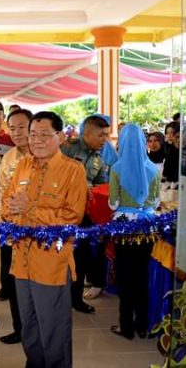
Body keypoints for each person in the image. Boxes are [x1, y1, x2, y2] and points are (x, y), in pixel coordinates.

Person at [1, 111, 87, 368]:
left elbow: (72, 217)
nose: (36, 140)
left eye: (44, 134)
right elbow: (6, 205)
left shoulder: (73, 170)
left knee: (53, 328)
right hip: (21, 260)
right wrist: (13, 211)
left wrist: (30, 210)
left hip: (51, 263)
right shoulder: (23, 165)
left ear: (60, 137)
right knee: (28, 325)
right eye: (32, 134)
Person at [108, 124, 161, 340]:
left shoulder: (117, 169)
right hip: (147, 227)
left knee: (125, 277)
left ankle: (126, 326)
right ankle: (142, 325)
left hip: (124, 228)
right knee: (141, 276)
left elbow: (113, 203)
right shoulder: (153, 169)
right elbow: (156, 202)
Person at [61, 115, 111, 309]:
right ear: (87, 133)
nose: (105, 139)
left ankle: (76, 299)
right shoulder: (68, 148)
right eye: (101, 135)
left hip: (84, 215)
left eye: (106, 135)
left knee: (80, 258)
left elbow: (101, 185)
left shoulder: (100, 157)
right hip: (61, 213)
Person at [0, 108, 33, 345]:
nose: (17, 132)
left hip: (38, 234)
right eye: (13, 128)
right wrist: (1, 224)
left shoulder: (43, 156)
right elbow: (1, 192)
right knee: (14, 283)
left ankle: (36, 329)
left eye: (22, 127)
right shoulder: (8, 157)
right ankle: (20, 328)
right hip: (11, 232)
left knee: (34, 285)